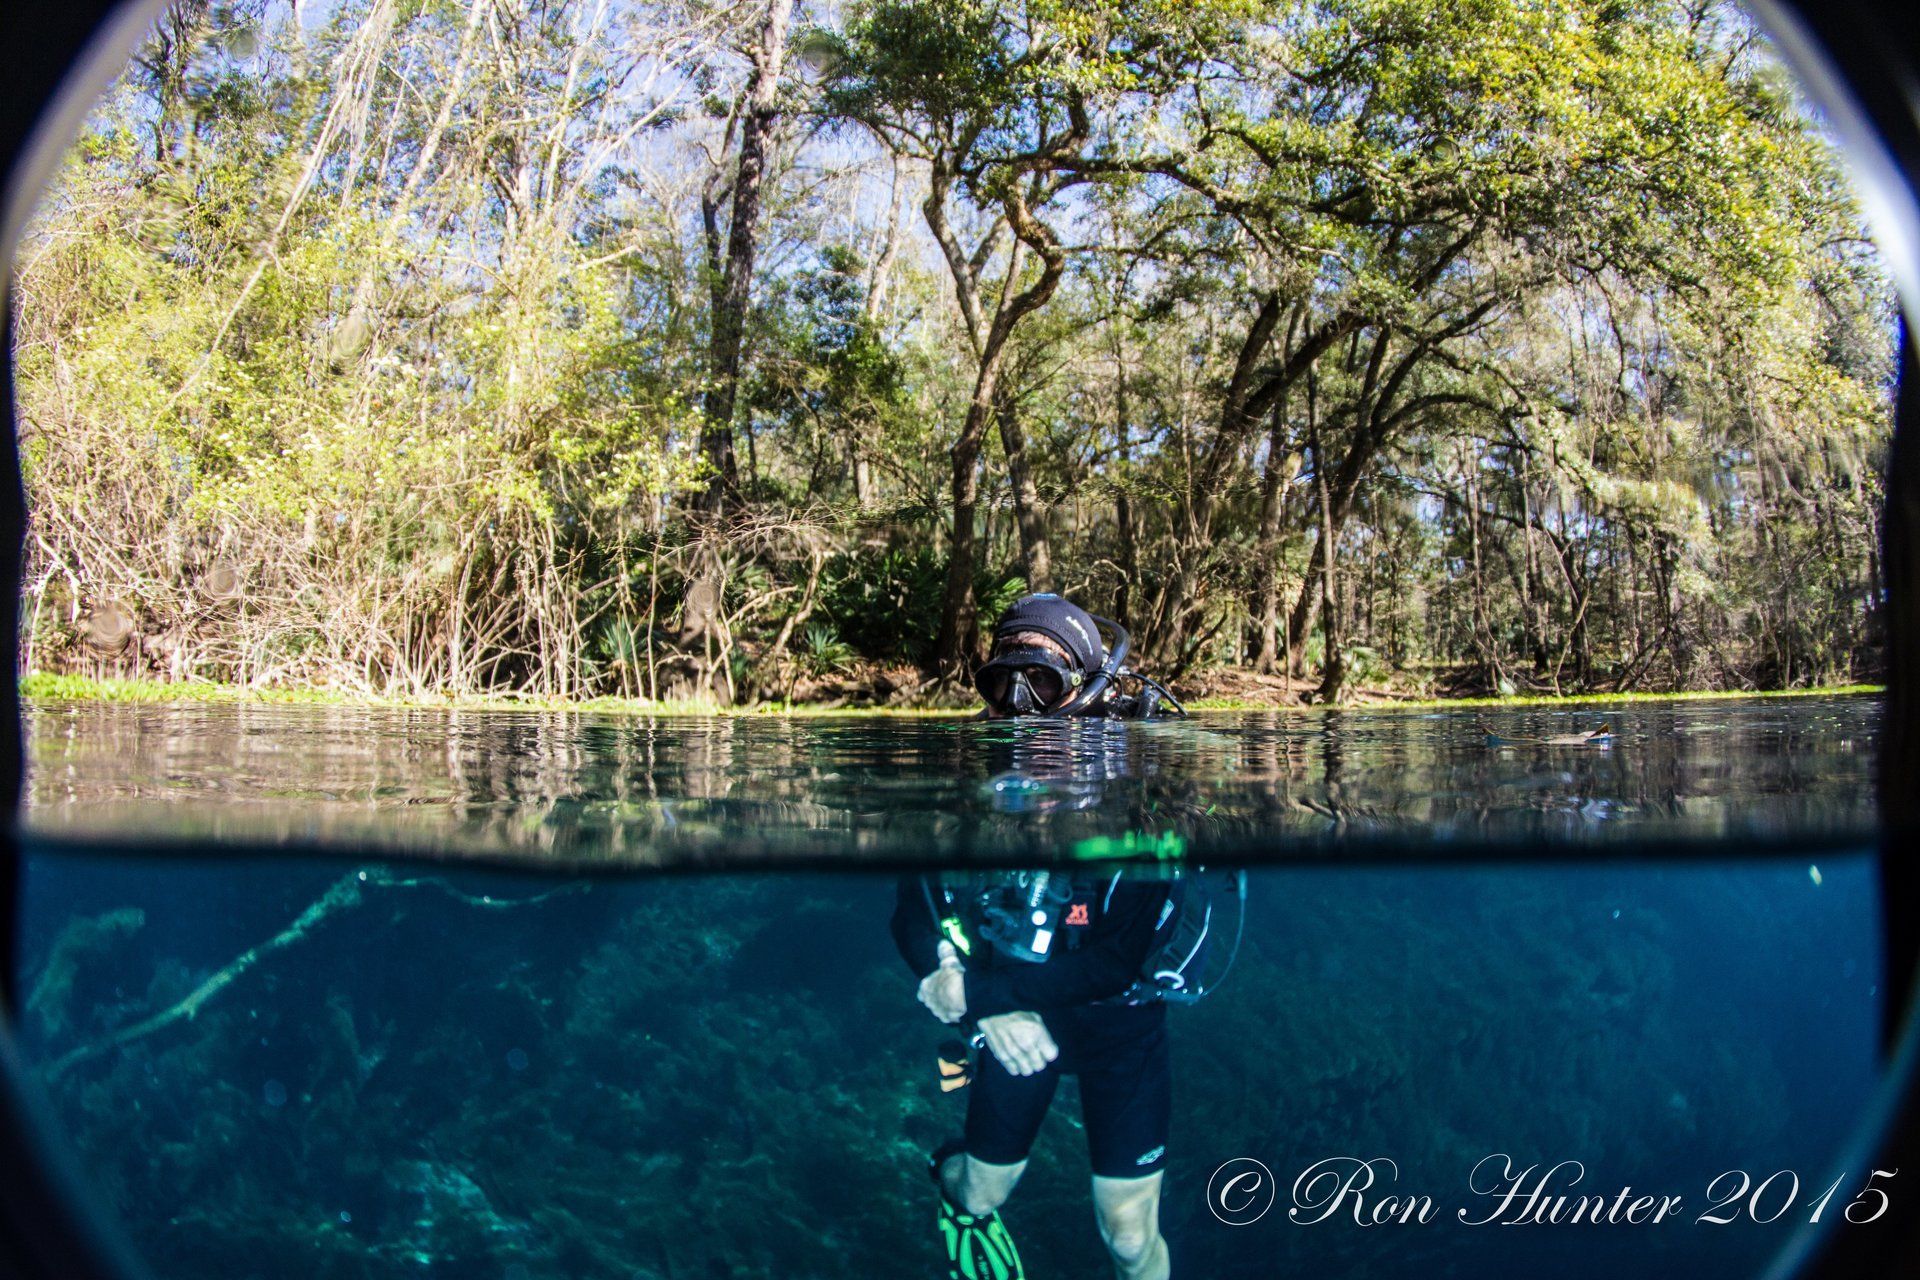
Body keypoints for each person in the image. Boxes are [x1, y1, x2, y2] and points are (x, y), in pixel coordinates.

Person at [893, 593, 1183, 1280]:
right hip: (1013, 1023)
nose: (1019, 707)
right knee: (980, 1191)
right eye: (1002, 682)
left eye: (1043, 683)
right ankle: (948, 1180)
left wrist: (982, 994)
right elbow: (913, 906)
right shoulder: (962, 781)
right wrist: (944, 965)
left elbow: (1117, 962)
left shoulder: (1141, 793)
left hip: (1122, 1032)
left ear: (1084, 692)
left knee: (1131, 1238)